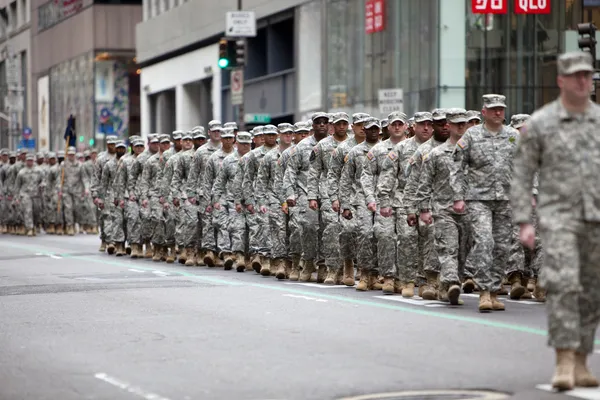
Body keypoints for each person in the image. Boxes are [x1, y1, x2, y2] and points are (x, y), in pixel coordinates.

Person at [511, 51, 600, 391]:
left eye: (587, 75)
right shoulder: (541, 123)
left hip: (596, 218)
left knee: (592, 290)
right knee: (563, 284)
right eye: (576, 75)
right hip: (559, 218)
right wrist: (524, 220)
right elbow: (521, 173)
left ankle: (581, 357)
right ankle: (563, 357)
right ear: (561, 80)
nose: (583, 81)